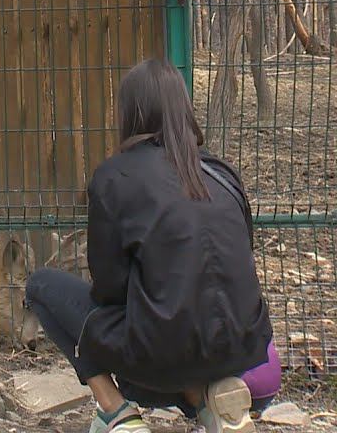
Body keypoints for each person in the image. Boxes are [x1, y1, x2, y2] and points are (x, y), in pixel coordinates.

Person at [24, 58, 277, 433]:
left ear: (130, 114)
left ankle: (117, 412)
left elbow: (109, 290)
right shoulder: (223, 173)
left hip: (159, 364)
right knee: (183, 323)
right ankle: (209, 398)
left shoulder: (115, 176)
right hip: (248, 356)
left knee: (41, 287)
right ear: (184, 109)